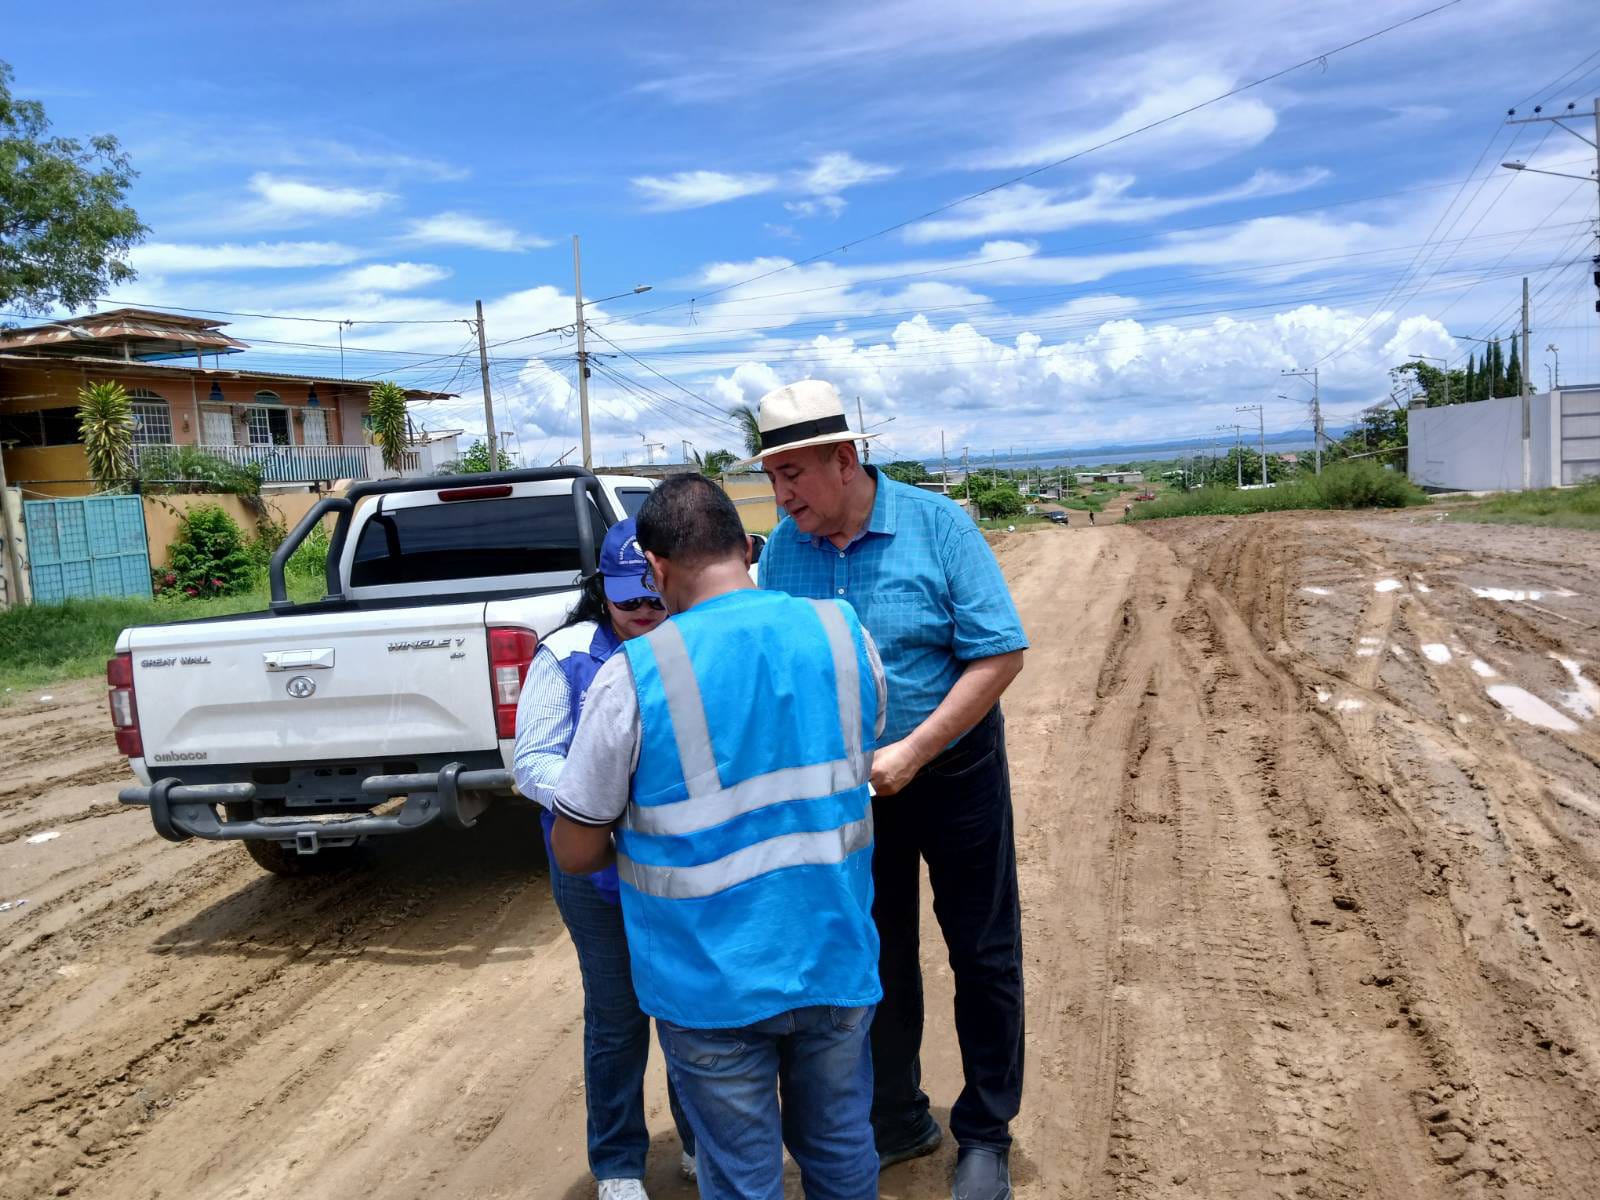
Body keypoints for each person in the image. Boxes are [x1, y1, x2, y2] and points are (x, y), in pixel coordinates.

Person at [549, 474, 888, 1200]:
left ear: (656, 566)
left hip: (711, 984)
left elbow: (575, 851)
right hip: (834, 953)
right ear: (746, 547)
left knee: (740, 1176)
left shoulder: (634, 675)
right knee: (840, 1144)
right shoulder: (843, 633)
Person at [741, 380, 1029, 1200]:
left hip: (954, 770)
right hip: (855, 789)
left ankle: (986, 1133)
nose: (782, 495)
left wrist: (915, 749)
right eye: (772, 477)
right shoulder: (785, 552)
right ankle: (897, 1115)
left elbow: (1000, 653)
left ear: (844, 459)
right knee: (875, 953)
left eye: (793, 473)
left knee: (981, 949)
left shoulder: (938, 526)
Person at [512, 518, 696, 1200]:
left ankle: (701, 1140)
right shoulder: (566, 655)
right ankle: (618, 1164)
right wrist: (601, 803)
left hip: (681, 863)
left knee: (689, 1006)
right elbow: (533, 761)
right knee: (617, 1016)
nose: (643, 612)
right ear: (602, 591)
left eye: (654, 597)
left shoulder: (693, 643)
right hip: (596, 868)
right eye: (627, 600)